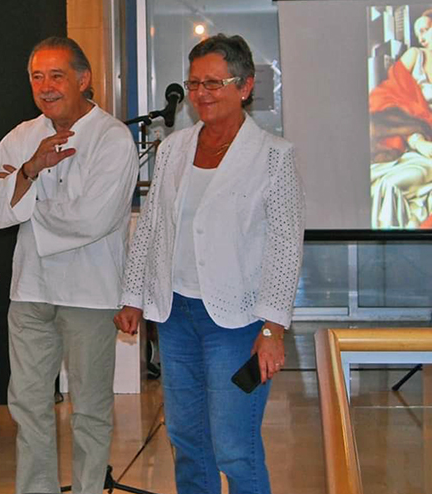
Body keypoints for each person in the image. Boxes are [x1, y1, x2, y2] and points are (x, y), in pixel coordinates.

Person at [114, 34, 305, 494]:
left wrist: (272, 329)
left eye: (215, 83)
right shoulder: (175, 149)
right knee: (186, 438)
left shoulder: (273, 156)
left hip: (237, 323)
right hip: (176, 316)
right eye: (195, 82)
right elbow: (153, 225)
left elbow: (285, 246)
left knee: (234, 446)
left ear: (245, 86)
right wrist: (133, 296)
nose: (202, 93)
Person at [0, 37, 138, 494]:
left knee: (89, 409)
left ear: (84, 79)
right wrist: (28, 171)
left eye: (56, 76)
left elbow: (93, 219)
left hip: (91, 293)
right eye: (36, 77)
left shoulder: (113, 138)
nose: (45, 87)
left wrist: (23, 202)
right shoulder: (22, 136)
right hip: (30, 290)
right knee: (27, 407)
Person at [370, 9, 432, 228]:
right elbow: (386, 99)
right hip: (412, 144)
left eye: (426, 29)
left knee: (391, 184)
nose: (422, 36)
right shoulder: (416, 55)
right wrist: (417, 140)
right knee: (384, 183)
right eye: (419, 32)